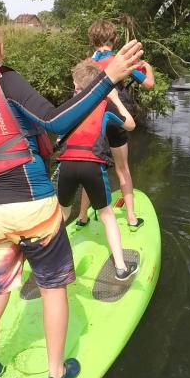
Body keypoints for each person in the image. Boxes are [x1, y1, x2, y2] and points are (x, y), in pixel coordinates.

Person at [0, 16, 143, 378]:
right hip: (32, 207)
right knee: (53, 289)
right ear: (0, 50)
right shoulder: (5, 79)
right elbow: (54, 122)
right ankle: (55, 373)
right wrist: (108, 78)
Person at [56, 60, 138, 281]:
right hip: (92, 166)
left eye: (74, 83)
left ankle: (47, 262)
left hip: (67, 166)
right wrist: (115, 99)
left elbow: (55, 132)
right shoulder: (105, 105)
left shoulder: (69, 106)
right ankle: (121, 268)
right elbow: (130, 125)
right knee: (107, 215)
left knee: (61, 215)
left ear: (77, 85)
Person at [75, 20, 154, 232]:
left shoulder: (86, 65)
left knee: (91, 168)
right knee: (123, 169)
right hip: (116, 117)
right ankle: (131, 218)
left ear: (92, 41)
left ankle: (82, 217)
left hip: (95, 120)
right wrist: (148, 68)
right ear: (115, 39)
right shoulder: (122, 62)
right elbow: (148, 84)